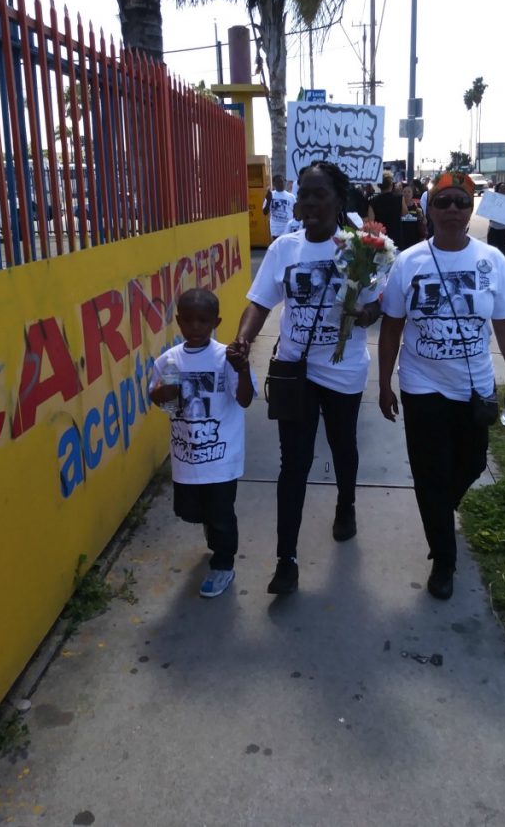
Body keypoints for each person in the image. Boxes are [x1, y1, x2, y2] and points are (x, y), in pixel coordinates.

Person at [229, 161, 383, 596]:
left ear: (339, 201)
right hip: (294, 368)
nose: (308, 203)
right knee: (292, 464)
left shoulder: (360, 248)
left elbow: (377, 305)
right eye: (303, 195)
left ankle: (346, 502)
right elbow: (259, 303)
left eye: (318, 195)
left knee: (342, 445)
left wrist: (364, 313)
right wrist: (243, 340)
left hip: (343, 370)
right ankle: (286, 561)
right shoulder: (284, 249)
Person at [378, 171, 505, 601]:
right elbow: (392, 327)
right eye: (442, 201)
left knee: (470, 463)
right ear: (429, 207)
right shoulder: (409, 262)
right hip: (421, 382)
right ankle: (443, 561)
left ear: (471, 210)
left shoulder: (491, 261)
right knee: (430, 473)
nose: (451, 210)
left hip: (474, 386)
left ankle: (438, 513)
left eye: (460, 203)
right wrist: (384, 383)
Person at [150, 288, 256, 598]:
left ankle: (223, 565)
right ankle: (212, 527)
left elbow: (245, 399)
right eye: (189, 321)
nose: (195, 327)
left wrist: (243, 368)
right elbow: (160, 401)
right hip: (186, 456)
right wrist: (164, 394)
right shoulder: (169, 360)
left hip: (223, 457)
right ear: (178, 321)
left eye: (203, 320)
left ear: (216, 322)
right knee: (189, 511)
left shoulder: (227, 358)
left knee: (222, 514)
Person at [369, 170, 408, 250]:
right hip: (396, 240)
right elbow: (405, 213)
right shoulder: (399, 198)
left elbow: (371, 223)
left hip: (380, 240)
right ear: (391, 184)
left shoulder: (373, 202)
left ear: (379, 185)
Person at [262, 174, 297, 240]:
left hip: (288, 229)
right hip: (276, 230)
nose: (281, 184)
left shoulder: (291, 197)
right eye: (278, 182)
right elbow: (265, 212)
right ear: (274, 183)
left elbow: (296, 212)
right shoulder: (270, 195)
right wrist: (269, 200)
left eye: (282, 181)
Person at [486, 181, 505, 256]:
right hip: (493, 228)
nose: (502, 190)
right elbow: (487, 212)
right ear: (497, 190)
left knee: (502, 249)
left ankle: (501, 265)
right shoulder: (493, 200)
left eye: (504, 189)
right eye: (500, 189)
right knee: (491, 250)